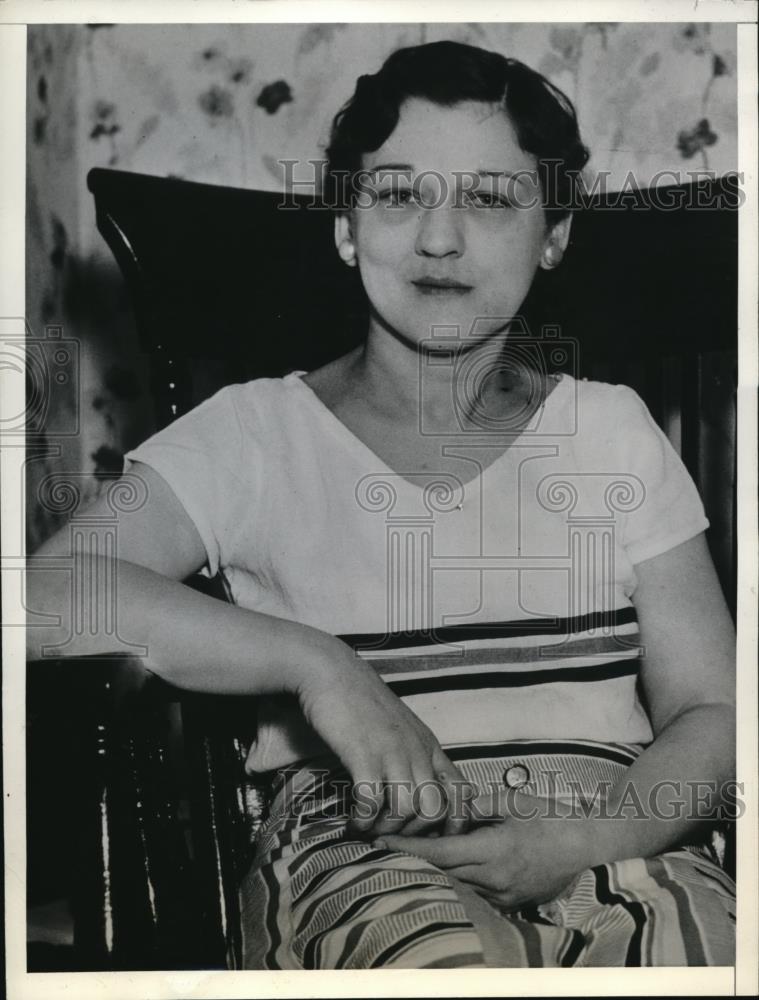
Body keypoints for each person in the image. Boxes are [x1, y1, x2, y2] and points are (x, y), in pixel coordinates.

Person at [27, 41, 736, 968]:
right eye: (399, 194)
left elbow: (714, 714)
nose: (439, 239)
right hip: (369, 843)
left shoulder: (610, 432)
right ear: (346, 227)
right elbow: (41, 597)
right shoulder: (255, 434)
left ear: (554, 234)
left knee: (700, 950)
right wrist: (321, 667)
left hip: (612, 828)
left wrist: (586, 841)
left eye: (489, 199)